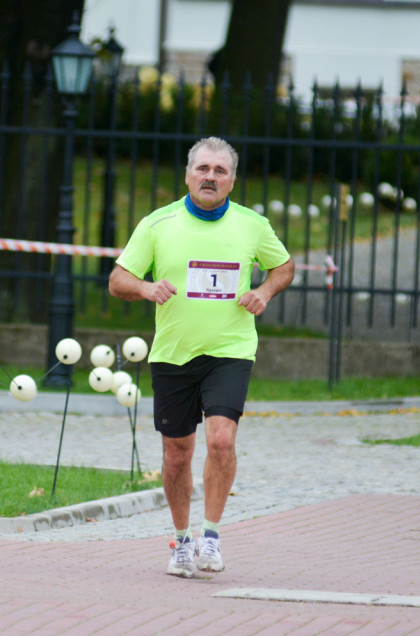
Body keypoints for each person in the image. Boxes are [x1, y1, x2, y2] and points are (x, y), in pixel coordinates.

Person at [108, 136, 295, 579]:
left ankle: (211, 535)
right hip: (173, 354)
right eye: (203, 169)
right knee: (177, 453)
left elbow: (284, 267)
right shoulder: (158, 224)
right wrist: (146, 288)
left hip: (230, 350)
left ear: (232, 180)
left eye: (220, 170)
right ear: (188, 175)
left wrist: (265, 291)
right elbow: (118, 279)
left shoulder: (252, 225)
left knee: (221, 440)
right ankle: (182, 540)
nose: (210, 177)